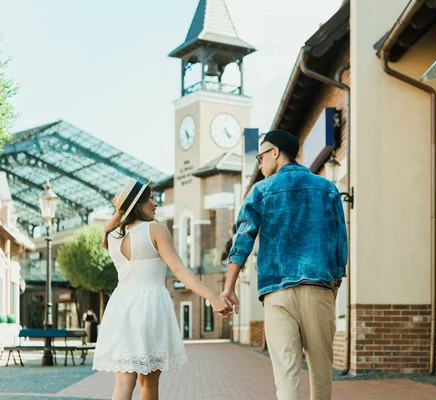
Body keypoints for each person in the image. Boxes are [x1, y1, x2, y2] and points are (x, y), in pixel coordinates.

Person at [222, 129, 348, 400]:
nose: (260, 163)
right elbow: (340, 240)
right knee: (321, 376)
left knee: (286, 377)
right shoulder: (327, 188)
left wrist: (229, 287)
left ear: (275, 152)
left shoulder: (261, 191)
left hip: (277, 294)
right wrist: (334, 283)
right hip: (319, 289)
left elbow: (242, 240)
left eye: (261, 156)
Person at [93, 178, 231, 400]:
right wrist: (212, 296)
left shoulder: (112, 237)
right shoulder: (155, 230)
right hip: (149, 307)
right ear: (138, 204)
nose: (155, 204)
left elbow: (111, 225)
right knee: (148, 384)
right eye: (150, 199)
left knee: (122, 384)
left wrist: (119, 211)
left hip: (120, 308)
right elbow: (178, 269)